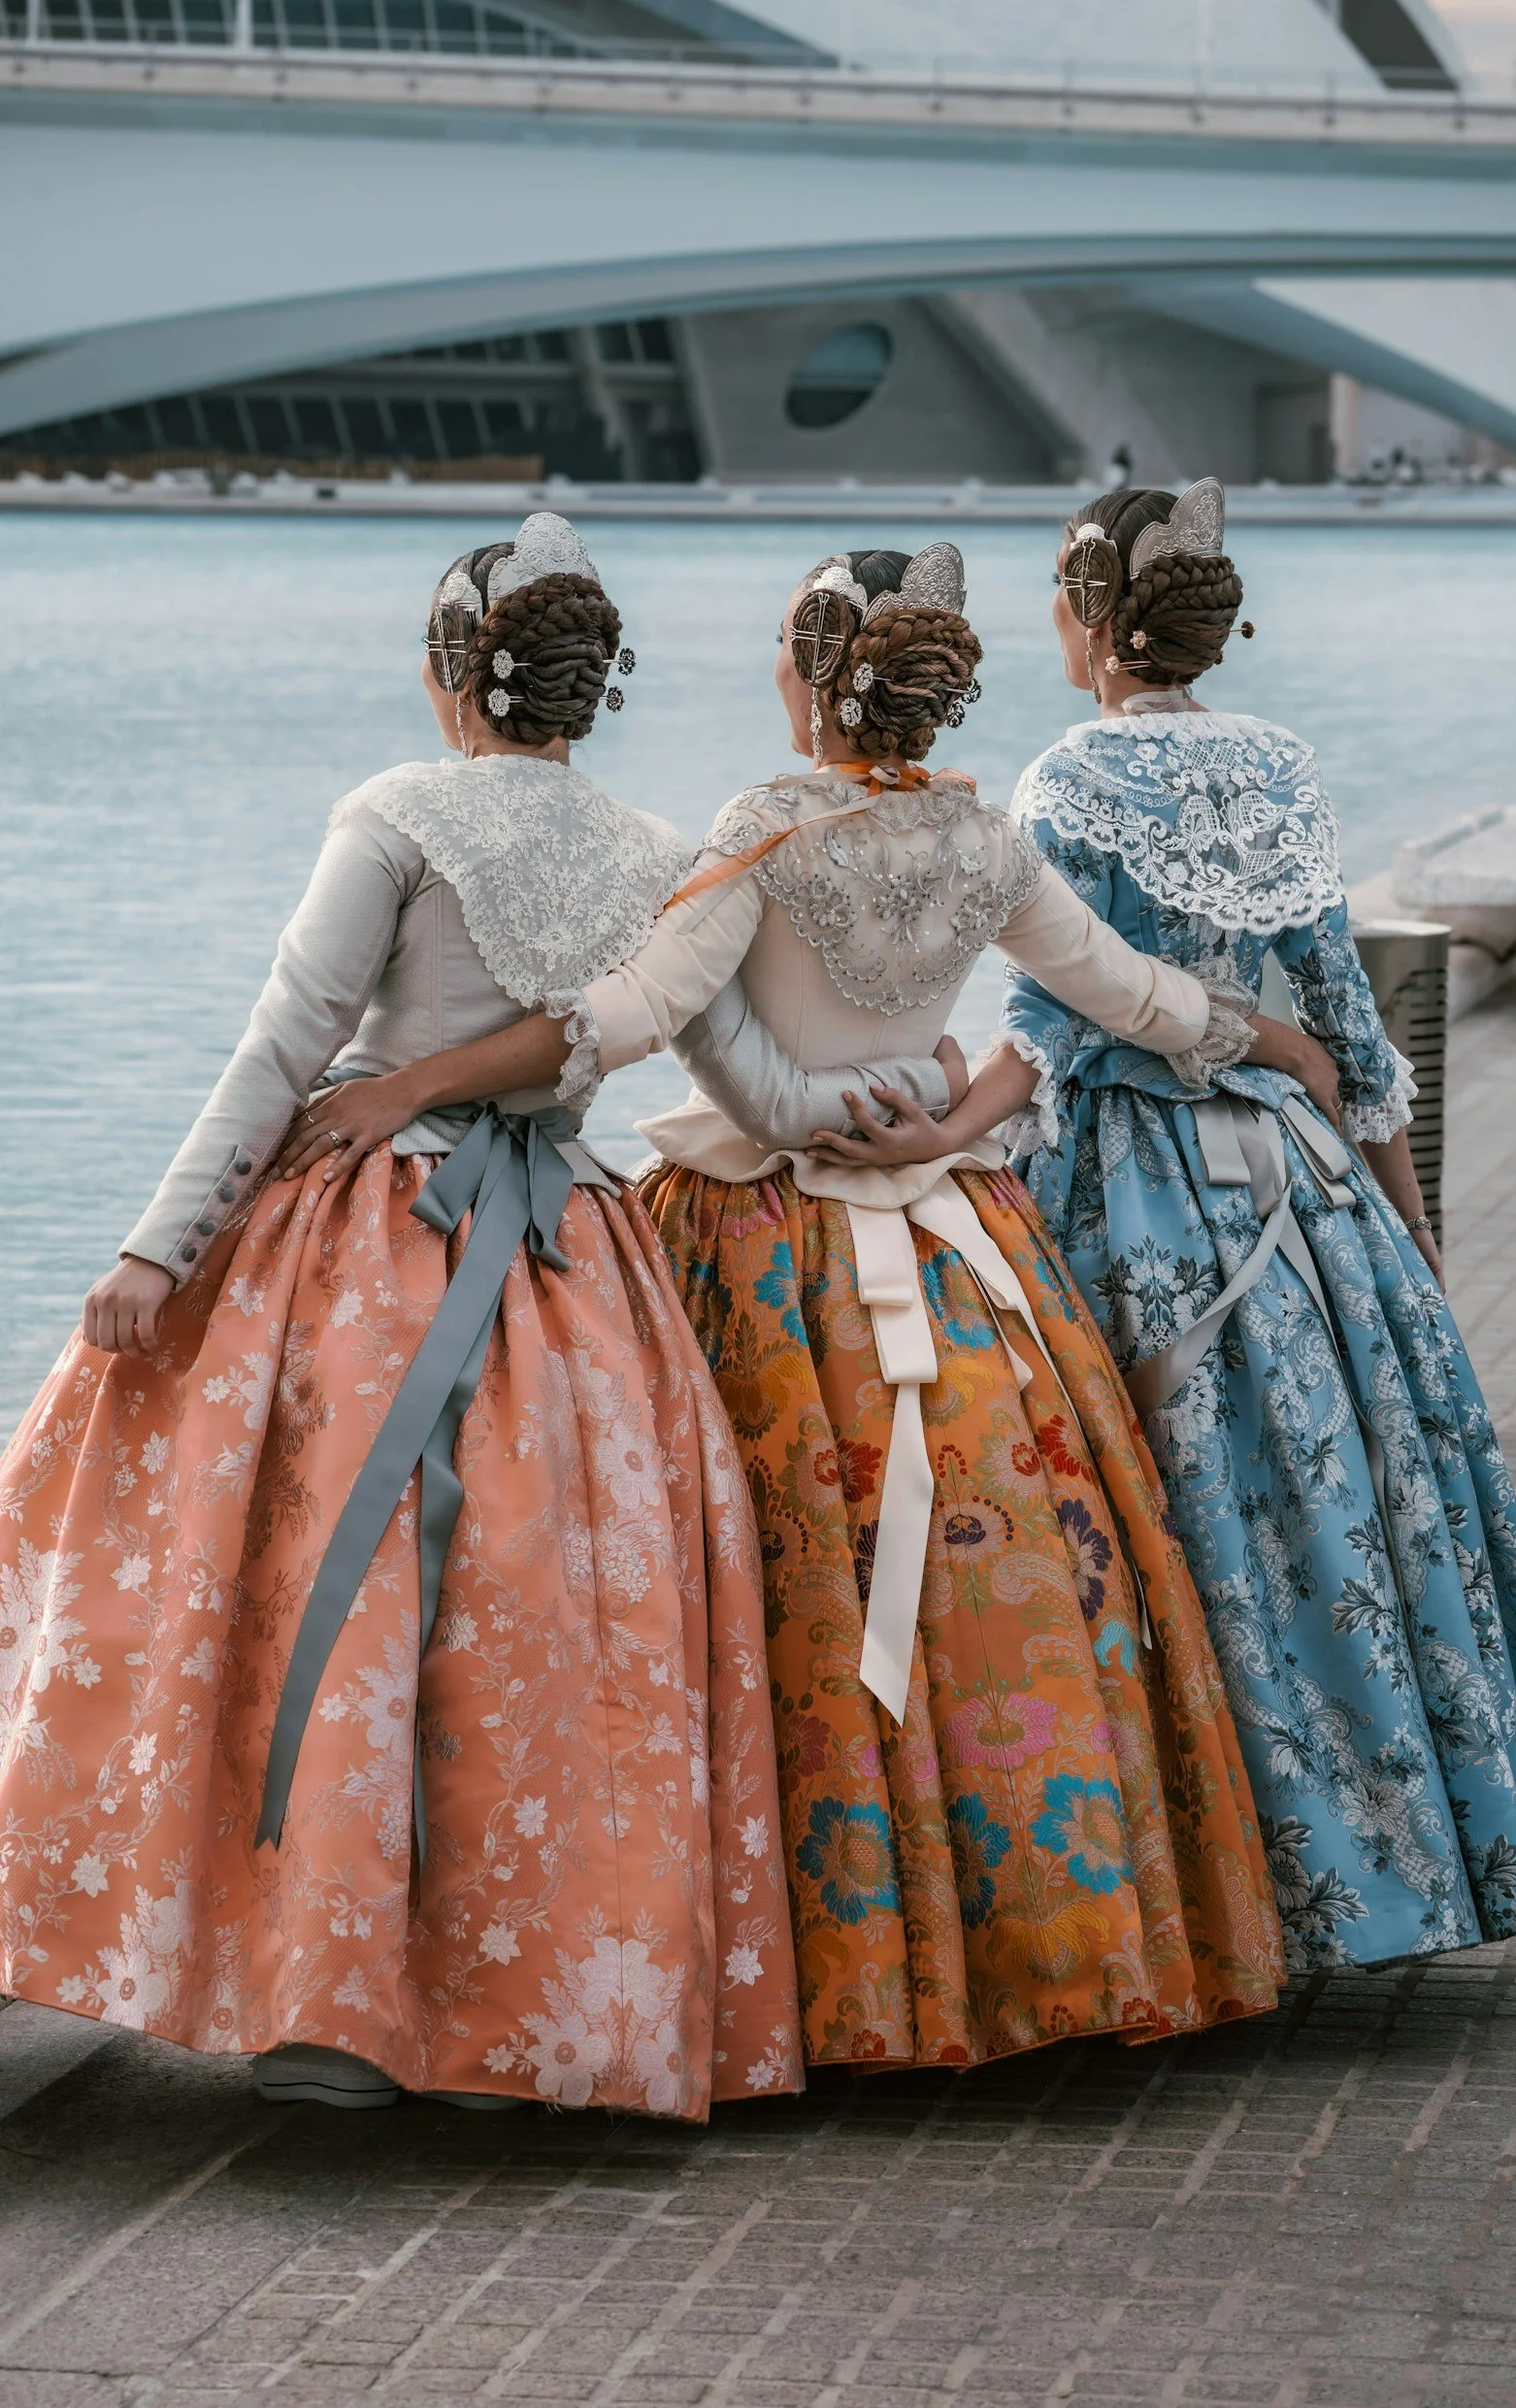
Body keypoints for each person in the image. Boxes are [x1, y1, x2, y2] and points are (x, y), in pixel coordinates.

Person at [280, 542, 1289, 2070]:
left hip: (767, 1251)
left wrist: (418, 1079)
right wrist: (1271, 1041)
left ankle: (789, 1970)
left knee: (746, 1589)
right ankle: (1048, 1951)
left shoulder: (760, 833)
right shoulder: (986, 845)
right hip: (960, 1243)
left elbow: (623, 1020)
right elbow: (1126, 997)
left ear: (814, 671)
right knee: (1020, 1586)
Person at [0, 512, 870, 2117]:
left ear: (454, 674)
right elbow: (755, 1087)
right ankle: (520, 2009)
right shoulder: (658, 849)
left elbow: (285, 1051)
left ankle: (320, 2004)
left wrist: (150, 1251)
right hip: (570, 1262)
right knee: (536, 1628)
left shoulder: (396, 813)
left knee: (282, 1584)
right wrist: (932, 1101)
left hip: (362, 1240)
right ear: (585, 690)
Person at [818, 484, 1516, 1972]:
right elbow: (1346, 1027)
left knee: (1151, 1513)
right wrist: (1409, 1231)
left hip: (1128, 1183)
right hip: (1304, 1186)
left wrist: (934, 1138)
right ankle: (1405, 1859)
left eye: (1056, 594)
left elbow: (1044, 1026)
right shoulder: (1285, 768)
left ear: (1096, 615)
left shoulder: (1065, 780)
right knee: (1342, 1504)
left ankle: (1206, 1884)